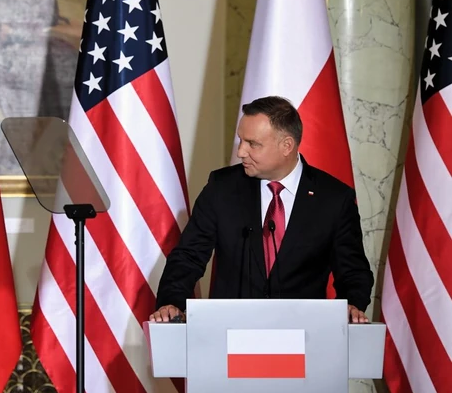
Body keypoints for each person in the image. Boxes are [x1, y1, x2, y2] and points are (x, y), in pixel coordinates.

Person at [151, 96, 374, 324]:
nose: (241, 152)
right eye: (241, 140)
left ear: (287, 146)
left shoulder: (334, 199)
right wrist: (171, 302)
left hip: (303, 333)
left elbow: (353, 271)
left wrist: (351, 306)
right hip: (230, 330)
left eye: (252, 144)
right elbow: (188, 256)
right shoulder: (222, 189)